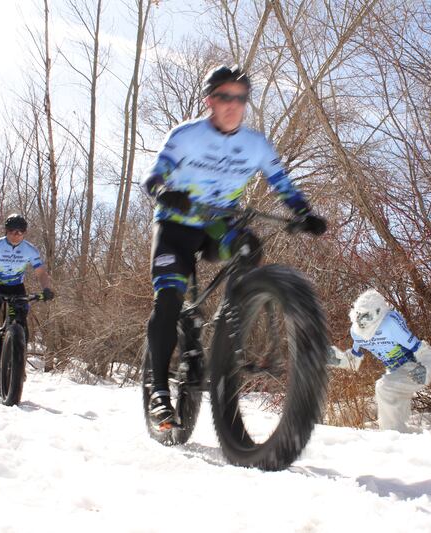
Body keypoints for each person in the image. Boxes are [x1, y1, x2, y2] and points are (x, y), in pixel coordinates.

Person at [142, 64, 327, 429]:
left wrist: (304, 213)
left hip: (216, 229)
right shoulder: (186, 135)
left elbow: (283, 185)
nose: (233, 105)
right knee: (168, 300)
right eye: (225, 97)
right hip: (175, 227)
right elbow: (154, 176)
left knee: (248, 247)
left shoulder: (255, 145)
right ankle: (159, 393)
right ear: (210, 100)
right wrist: (165, 192)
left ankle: (230, 327)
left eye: (241, 98)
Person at [330, 288, 431, 432]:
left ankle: (391, 434)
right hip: (393, 371)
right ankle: (404, 437)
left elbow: (420, 348)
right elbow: (354, 358)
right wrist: (336, 358)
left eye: (366, 317)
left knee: (383, 387)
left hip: (412, 367)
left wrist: (424, 367)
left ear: (378, 313)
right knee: (393, 406)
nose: (362, 323)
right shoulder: (356, 332)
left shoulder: (389, 325)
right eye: (359, 317)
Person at [0, 213, 54, 365]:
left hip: (17, 288)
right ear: (6, 231)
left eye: (19, 232)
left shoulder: (30, 250)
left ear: (24, 233)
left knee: (22, 325)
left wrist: (46, 289)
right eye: (11, 231)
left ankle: (19, 365)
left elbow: (41, 272)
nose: (15, 235)